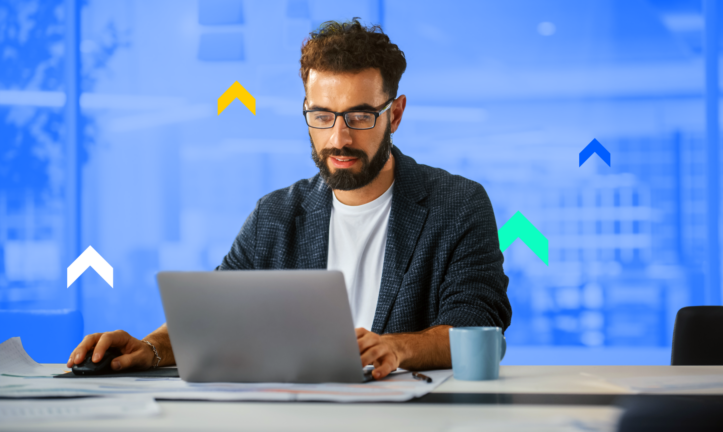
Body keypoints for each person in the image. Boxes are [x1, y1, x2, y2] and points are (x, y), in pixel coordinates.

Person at [67, 18, 512, 380]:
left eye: (359, 115)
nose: (339, 138)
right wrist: (150, 348)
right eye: (321, 116)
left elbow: (477, 328)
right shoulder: (275, 215)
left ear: (394, 115)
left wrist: (397, 347)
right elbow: (218, 315)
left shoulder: (458, 205)